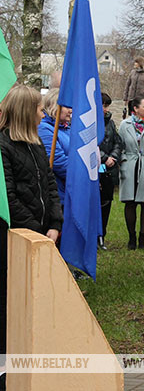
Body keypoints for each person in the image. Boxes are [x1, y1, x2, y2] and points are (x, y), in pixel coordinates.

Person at [0, 85, 64, 385]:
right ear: (27, 112)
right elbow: (8, 197)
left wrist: (54, 223)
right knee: (10, 299)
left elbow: (49, 186)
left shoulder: (37, 144)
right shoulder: (3, 147)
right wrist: (33, 230)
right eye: (39, 109)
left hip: (42, 236)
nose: (43, 113)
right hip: (17, 237)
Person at [119, 96, 144, 250]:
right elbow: (119, 144)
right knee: (130, 202)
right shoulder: (124, 124)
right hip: (130, 165)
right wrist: (122, 161)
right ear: (135, 109)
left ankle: (143, 237)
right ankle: (131, 237)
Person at [37, 89, 71, 202]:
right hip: (58, 193)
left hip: (69, 191)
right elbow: (58, 163)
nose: (71, 110)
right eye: (67, 107)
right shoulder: (44, 129)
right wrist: (81, 173)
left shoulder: (67, 129)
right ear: (53, 105)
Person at [98, 92, 123, 250]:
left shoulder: (111, 123)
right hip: (96, 168)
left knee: (106, 204)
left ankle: (102, 236)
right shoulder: (87, 121)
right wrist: (103, 157)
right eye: (103, 105)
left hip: (109, 169)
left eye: (107, 105)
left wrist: (113, 157)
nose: (106, 109)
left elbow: (117, 142)